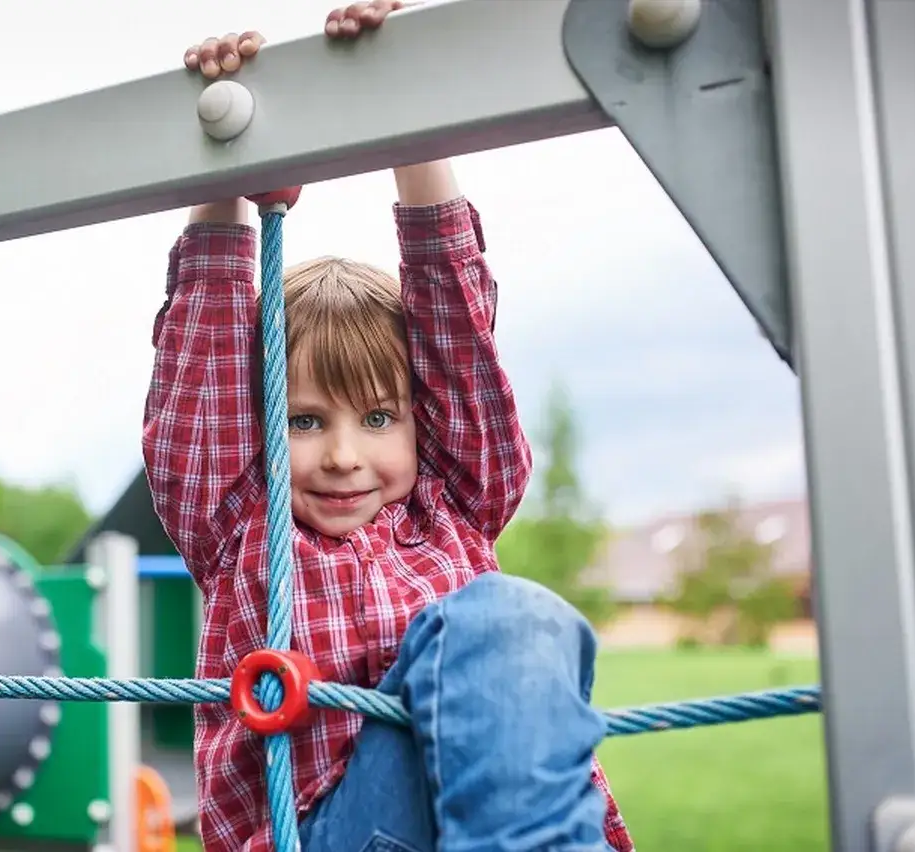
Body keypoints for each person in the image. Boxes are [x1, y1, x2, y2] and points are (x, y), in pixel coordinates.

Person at [143, 3, 634, 850]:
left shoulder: (457, 507)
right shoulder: (240, 529)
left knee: (516, 619)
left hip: (480, 821)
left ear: (423, 424)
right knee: (496, 623)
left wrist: (406, 109)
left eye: (377, 417)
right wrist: (227, 143)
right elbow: (206, 355)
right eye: (301, 420)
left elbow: (456, 331)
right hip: (332, 827)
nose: (342, 456)